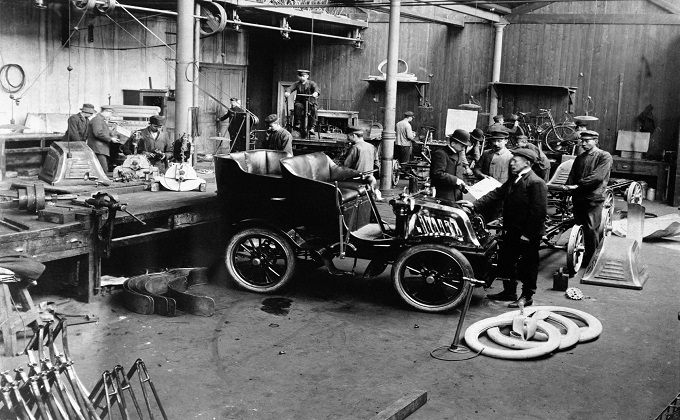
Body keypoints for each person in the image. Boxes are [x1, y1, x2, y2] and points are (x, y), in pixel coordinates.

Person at [470, 148, 547, 308]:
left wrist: (527, 234)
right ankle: (509, 292)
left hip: (527, 234)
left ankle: (527, 296)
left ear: (527, 163)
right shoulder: (515, 178)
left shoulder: (536, 183)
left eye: (515, 161)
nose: (511, 163)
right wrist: (474, 205)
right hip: (512, 229)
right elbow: (497, 193)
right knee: (507, 261)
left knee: (528, 265)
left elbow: (538, 213)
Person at [562, 130, 613, 267]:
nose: (583, 144)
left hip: (593, 198)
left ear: (595, 141)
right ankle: (581, 253)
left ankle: (592, 260)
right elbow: (572, 175)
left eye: (587, 141)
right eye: (582, 141)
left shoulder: (604, 156)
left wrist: (577, 186)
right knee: (579, 226)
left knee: (591, 229)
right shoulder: (580, 157)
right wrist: (567, 188)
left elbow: (597, 177)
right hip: (578, 198)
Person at [429, 129, 470, 202]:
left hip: (456, 194)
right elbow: (437, 174)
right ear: (453, 143)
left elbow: (458, 173)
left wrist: (463, 186)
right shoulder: (441, 154)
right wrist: (456, 180)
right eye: (462, 146)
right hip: (444, 195)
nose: (463, 149)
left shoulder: (458, 153)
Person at [344, 126, 379, 198]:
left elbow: (346, 165)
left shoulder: (355, 147)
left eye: (348, 136)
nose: (347, 138)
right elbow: (376, 163)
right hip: (369, 178)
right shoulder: (372, 146)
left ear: (353, 135)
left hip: (357, 179)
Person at [284, 69, 319, 137]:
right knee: (297, 106)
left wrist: (315, 93)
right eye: (300, 76)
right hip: (300, 102)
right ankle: (298, 124)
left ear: (307, 76)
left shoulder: (311, 83)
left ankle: (312, 127)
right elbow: (290, 88)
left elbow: (316, 88)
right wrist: (288, 92)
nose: (302, 77)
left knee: (314, 109)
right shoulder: (297, 84)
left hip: (310, 102)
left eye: (304, 76)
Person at [87, 105, 121, 171]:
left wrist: (112, 133)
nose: (111, 115)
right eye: (110, 113)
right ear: (105, 111)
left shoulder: (101, 120)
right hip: (98, 149)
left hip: (101, 148)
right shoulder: (97, 120)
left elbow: (102, 132)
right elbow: (98, 133)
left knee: (102, 170)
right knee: (103, 170)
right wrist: (111, 139)